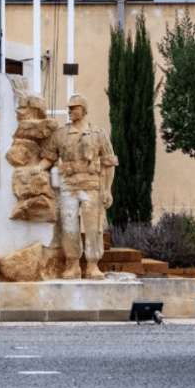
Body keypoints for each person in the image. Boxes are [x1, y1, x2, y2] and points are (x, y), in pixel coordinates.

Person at [39, 94, 119, 280]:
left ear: (84, 110)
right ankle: (73, 265)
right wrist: (38, 168)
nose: (70, 111)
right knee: (69, 226)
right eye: (69, 108)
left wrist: (107, 190)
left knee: (93, 227)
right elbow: (49, 157)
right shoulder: (60, 134)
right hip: (69, 186)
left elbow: (109, 163)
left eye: (74, 108)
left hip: (91, 186)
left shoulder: (98, 134)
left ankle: (92, 265)